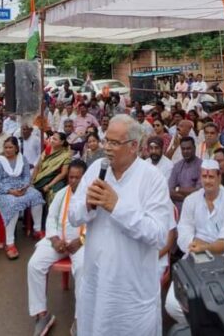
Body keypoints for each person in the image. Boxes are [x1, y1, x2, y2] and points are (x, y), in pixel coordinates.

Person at [69, 114, 174, 336]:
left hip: (131, 289)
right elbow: (73, 216)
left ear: (134, 146)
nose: (106, 147)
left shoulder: (152, 179)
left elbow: (157, 235)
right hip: (96, 281)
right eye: (106, 140)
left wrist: (116, 206)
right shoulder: (97, 169)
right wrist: (87, 205)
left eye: (114, 143)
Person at [165, 159, 224, 325]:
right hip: (194, 255)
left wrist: (204, 246)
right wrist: (201, 245)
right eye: (204, 176)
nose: (207, 180)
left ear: (219, 177)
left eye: (211, 176)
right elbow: (183, 233)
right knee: (173, 304)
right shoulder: (191, 200)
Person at [27, 159, 87, 336]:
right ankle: (42, 315)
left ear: (85, 178)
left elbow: (98, 225)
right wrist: (54, 240)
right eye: (71, 177)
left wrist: (81, 240)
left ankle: (79, 319)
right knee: (34, 265)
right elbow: (51, 218)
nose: (73, 181)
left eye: (77, 178)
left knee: (84, 269)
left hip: (81, 244)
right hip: (57, 241)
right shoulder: (61, 193)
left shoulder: (92, 195)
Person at [0, 137, 45, 259]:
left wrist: (24, 188)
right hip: (2, 192)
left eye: (10, 147)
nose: (8, 150)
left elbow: (26, 177)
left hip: (21, 188)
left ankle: (37, 230)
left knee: (36, 195)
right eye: (6, 147)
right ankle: (9, 243)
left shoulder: (22, 159)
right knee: (12, 203)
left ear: (16, 148)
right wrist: (10, 191)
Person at [32, 132, 72, 207]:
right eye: (52, 138)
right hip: (42, 177)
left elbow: (63, 174)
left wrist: (49, 185)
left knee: (53, 194)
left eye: (55, 139)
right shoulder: (47, 150)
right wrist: (32, 180)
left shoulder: (66, 155)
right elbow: (37, 166)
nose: (52, 141)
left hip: (56, 179)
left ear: (62, 142)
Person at [168, 136, 202, 211]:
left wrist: (177, 189)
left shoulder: (202, 166)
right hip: (179, 209)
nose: (185, 151)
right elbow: (170, 191)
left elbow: (199, 191)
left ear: (194, 148)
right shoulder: (177, 166)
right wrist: (187, 198)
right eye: (183, 149)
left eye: (188, 148)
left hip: (197, 208)